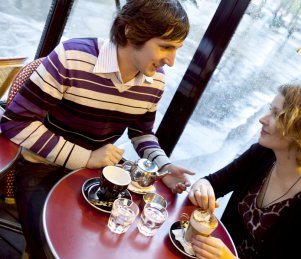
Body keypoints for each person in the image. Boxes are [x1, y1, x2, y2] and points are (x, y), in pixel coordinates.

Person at [0, 0, 194, 258]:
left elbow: (142, 133)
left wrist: (163, 168)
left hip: (99, 174)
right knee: (52, 246)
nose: (171, 61)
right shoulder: (72, 57)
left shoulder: (154, 82)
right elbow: (15, 122)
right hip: (42, 167)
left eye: (176, 49)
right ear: (132, 31)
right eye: (165, 47)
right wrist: (88, 157)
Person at [188, 84, 301, 259]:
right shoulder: (262, 154)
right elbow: (212, 182)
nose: (262, 119)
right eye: (270, 110)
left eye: (276, 114)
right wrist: (202, 188)